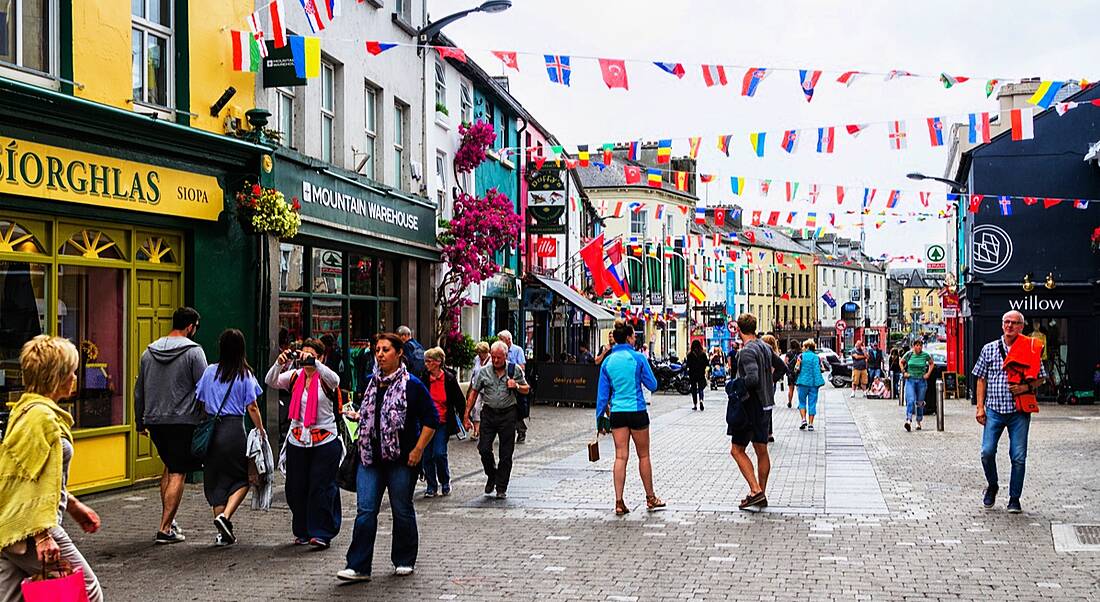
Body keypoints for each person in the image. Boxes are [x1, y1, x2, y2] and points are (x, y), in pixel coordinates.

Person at [0, 336, 102, 601]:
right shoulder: (41, 417)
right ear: (57, 376)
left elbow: (39, 473)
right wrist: (43, 536)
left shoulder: (25, 409)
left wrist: (73, 505)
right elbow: (27, 480)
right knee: (88, 592)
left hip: (10, 525)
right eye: (71, 371)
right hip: (31, 526)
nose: (75, 377)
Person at [339, 333, 439, 581]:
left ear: (399, 353)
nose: (380, 354)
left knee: (401, 509)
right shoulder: (371, 383)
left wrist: (418, 450)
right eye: (377, 350)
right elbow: (371, 414)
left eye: (385, 350)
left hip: (401, 460)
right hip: (370, 457)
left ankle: (404, 559)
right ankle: (358, 566)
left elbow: (431, 419)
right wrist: (357, 417)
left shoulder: (411, 384)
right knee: (365, 511)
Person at [133, 306, 207, 544]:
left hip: (155, 420)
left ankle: (169, 520)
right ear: (190, 326)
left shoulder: (148, 352)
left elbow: (139, 390)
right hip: (182, 420)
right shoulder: (194, 353)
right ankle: (165, 528)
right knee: (178, 471)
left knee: (169, 466)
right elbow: (204, 387)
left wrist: (139, 420)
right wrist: (205, 414)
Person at [265, 338, 343, 549]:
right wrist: (279, 363)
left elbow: (335, 380)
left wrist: (316, 364)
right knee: (295, 487)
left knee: (320, 487)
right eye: (305, 354)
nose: (307, 359)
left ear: (321, 357)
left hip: (324, 439)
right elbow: (270, 381)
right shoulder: (294, 376)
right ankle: (302, 529)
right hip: (298, 438)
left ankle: (322, 532)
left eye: (313, 355)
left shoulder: (325, 378)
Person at [194, 329, 265, 546]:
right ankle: (224, 518)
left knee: (216, 480)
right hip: (235, 431)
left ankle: (221, 531)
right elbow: (252, 406)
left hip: (213, 432)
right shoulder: (245, 374)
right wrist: (260, 429)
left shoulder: (209, 372)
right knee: (243, 477)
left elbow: (202, 403)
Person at [973, 310, 1047, 513]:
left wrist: (1026, 388)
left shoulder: (1030, 348)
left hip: (1019, 411)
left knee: (1018, 456)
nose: (1010, 326)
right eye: (1006, 322)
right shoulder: (989, 349)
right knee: (986, 452)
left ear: (1022, 327)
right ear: (1002, 324)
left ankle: (1014, 498)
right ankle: (993, 485)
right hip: (994, 410)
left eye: (1014, 323)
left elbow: (1041, 376)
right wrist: (980, 407)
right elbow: (981, 378)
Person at [595, 321, 664, 516]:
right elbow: (653, 385)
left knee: (620, 456)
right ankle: (650, 498)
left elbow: (602, 395)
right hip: (637, 410)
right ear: (628, 338)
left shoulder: (608, 362)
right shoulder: (638, 358)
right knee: (644, 455)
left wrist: (599, 418)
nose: (635, 339)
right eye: (634, 336)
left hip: (617, 412)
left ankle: (618, 502)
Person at [463, 341, 530, 499]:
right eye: (493, 357)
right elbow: (474, 392)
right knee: (484, 448)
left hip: (508, 414)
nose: (495, 360)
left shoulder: (515, 370)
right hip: (489, 413)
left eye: (499, 358)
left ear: (506, 356)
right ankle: (492, 474)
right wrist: (467, 415)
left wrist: (517, 386)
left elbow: (527, 389)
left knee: (506, 453)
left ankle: (501, 487)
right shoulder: (484, 372)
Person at [729, 314, 774, 510]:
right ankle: (760, 494)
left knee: (737, 450)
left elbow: (753, 378)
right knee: (761, 450)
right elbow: (780, 368)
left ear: (739, 330)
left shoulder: (746, 351)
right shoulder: (765, 346)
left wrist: (735, 386)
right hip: (765, 404)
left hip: (750, 405)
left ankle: (755, 490)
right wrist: (769, 386)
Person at [420, 347, 466, 498]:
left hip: (442, 421)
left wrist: (465, 417)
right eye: (426, 361)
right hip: (426, 422)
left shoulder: (449, 379)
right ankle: (431, 486)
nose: (426, 364)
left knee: (439, 453)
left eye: (429, 361)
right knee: (427, 455)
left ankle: (445, 481)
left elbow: (459, 400)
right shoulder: (423, 378)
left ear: (438, 362)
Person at [497, 330, 529, 444]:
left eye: (502, 340)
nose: (500, 342)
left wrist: (512, 373)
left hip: (514, 384)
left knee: (515, 409)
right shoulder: (499, 351)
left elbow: (522, 367)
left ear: (508, 340)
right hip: (501, 384)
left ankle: (521, 430)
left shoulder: (517, 350)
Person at [900, 339, 934, 432]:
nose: (919, 347)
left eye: (920, 346)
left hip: (921, 380)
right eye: (917, 345)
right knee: (910, 400)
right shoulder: (909, 354)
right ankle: (908, 420)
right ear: (913, 346)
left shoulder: (925, 355)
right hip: (910, 379)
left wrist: (928, 374)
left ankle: (918, 421)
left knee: (920, 402)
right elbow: (901, 362)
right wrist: (904, 372)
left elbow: (931, 363)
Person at [794, 339, 827, 431]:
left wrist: (797, 369)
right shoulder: (817, 358)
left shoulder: (801, 356)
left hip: (802, 382)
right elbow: (822, 369)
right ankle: (811, 424)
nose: (803, 348)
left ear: (807, 347)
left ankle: (803, 419)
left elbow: (796, 368)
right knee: (812, 403)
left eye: (804, 346)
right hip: (813, 384)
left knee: (802, 402)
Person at [761, 335, 788, 443]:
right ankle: (769, 432)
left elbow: (782, 368)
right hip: (771, 383)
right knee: (768, 407)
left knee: (763, 407)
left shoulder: (768, 354)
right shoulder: (775, 354)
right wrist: (774, 379)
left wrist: (772, 379)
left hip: (766, 383)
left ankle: (765, 432)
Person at [469, 341, 491, 440]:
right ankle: (476, 430)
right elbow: (473, 373)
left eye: (481, 352)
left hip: (487, 387)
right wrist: (470, 386)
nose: (479, 354)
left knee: (487, 408)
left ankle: (487, 429)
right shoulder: (476, 359)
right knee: (475, 407)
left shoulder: (492, 359)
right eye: (478, 352)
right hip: (476, 386)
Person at [685, 339, 709, 411]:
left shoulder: (690, 355)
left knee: (694, 389)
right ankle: (701, 400)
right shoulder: (703, 354)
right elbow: (707, 364)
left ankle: (695, 404)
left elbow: (688, 365)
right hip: (701, 374)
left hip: (692, 374)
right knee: (701, 388)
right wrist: (705, 371)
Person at [784, 341, 800, 408]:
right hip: (798, 373)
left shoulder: (788, 353)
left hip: (790, 373)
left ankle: (790, 402)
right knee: (799, 389)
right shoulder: (800, 353)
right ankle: (800, 404)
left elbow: (785, 362)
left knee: (791, 389)